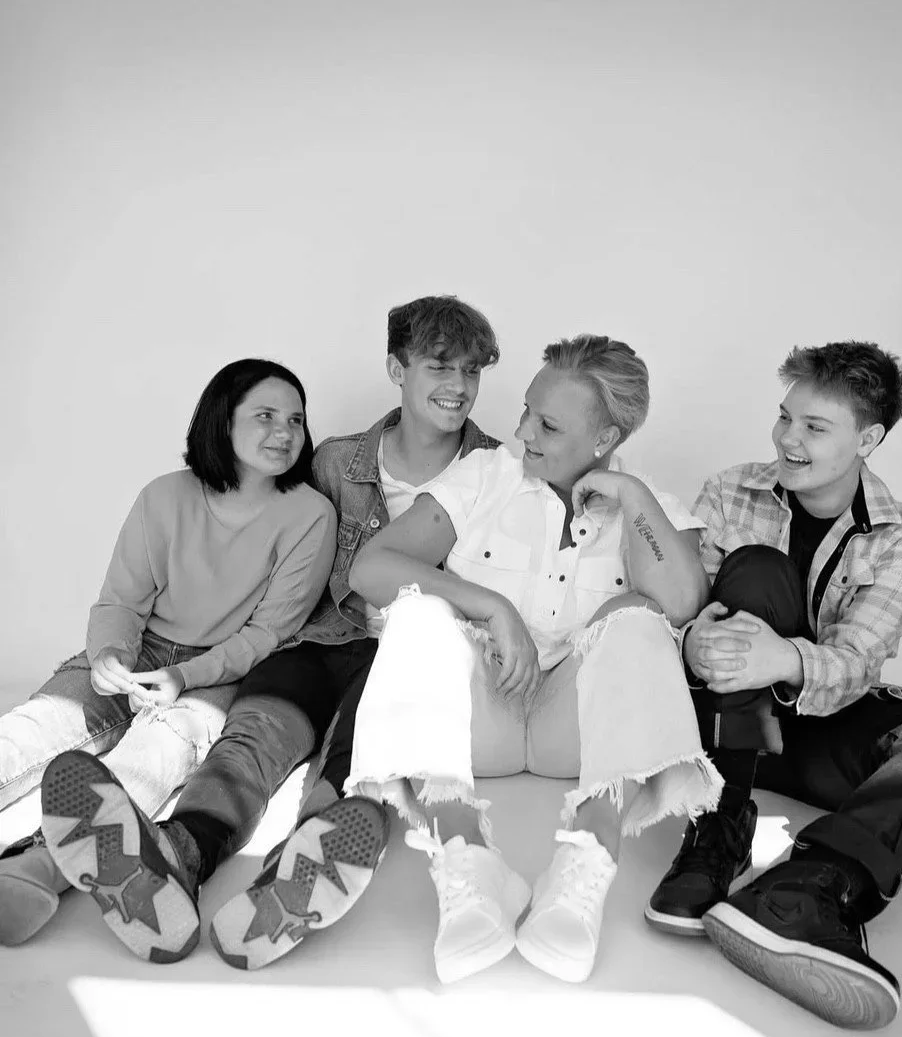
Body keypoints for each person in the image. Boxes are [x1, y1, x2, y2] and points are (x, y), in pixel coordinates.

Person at [224, 334, 721, 983]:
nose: (522, 432)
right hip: (477, 720)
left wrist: (630, 500)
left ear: (603, 439)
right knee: (415, 612)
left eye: (547, 424)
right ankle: (467, 861)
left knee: (639, 622)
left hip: (574, 738)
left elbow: (682, 601)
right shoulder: (487, 475)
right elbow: (372, 568)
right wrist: (491, 607)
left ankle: (584, 868)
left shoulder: (648, 505)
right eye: (525, 412)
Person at [37, 296, 502, 965]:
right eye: (439, 366)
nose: (457, 386)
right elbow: (278, 558)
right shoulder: (335, 463)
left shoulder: (495, 468)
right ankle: (177, 854)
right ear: (397, 370)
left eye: (472, 372)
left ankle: (302, 865)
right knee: (249, 739)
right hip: (316, 643)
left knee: (360, 753)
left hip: (413, 655)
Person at [645, 341, 902, 1030]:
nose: (787, 438)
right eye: (785, 418)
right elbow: (675, 612)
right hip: (721, 722)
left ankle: (801, 891)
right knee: (754, 570)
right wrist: (693, 640)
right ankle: (719, 828)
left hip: (816, 720)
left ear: (869, 438)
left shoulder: (901, 535)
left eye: (814, 427)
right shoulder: (730, 490)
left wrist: (782, 661)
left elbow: (859, 660)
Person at [0, 358, 336, 954]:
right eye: (265, 416)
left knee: (152, 755)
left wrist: (185, 677)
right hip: (141, 647)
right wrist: (109, 655)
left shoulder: (310, 514)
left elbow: (266, 633)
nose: (284, 432)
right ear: (221, 420)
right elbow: (121, 601)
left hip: (220, 672)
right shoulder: (164, 495)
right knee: (36, 726)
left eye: (296, 420)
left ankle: (31, 869)